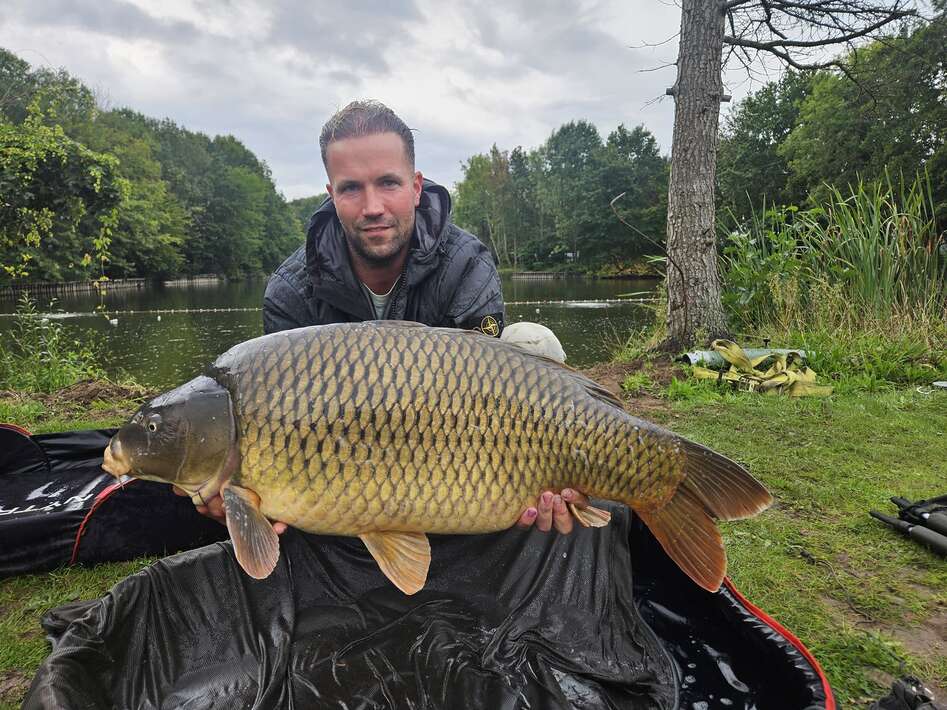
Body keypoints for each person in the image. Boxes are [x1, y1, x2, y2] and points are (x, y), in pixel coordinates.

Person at [181, 100, 589, 535]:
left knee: (533, 342)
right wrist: (246, 492)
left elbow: (488, 389)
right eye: (351, 188)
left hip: (457, 435)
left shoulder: (466, 264)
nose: (372, 206)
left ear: (416, 187)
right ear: (331, 195)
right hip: (347, 454)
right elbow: (279, 420)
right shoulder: (291, 290)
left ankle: (558, 479)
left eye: (388, 183)